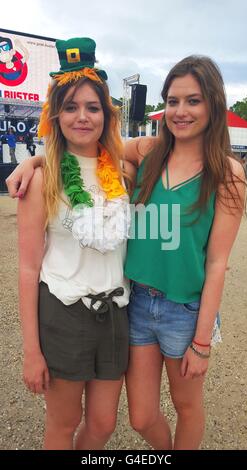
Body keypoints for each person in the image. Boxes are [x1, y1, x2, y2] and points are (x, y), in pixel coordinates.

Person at [6, 55, 247, 450]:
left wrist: (202, 342)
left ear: (214, 105)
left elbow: (218, 261)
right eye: (172, 100)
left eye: (193, 100)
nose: (180, 111)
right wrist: (33, 161)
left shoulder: (215, 172)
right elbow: (84, 148)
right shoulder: (149, 154)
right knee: (123, 417)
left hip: (168, 310)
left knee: (153, 414)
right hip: (122, 306)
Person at [15, 36, 133, 450]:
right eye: (70, 107)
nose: (82, 117)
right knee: (63, 424)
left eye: (92, 107)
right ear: (55, 115)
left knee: (102, 425)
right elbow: (29, 269)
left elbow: (169, 146)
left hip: (116, 312)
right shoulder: (42, 179)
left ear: (106, 114)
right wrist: (32, 351)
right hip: (63, 312)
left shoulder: (122, 169)